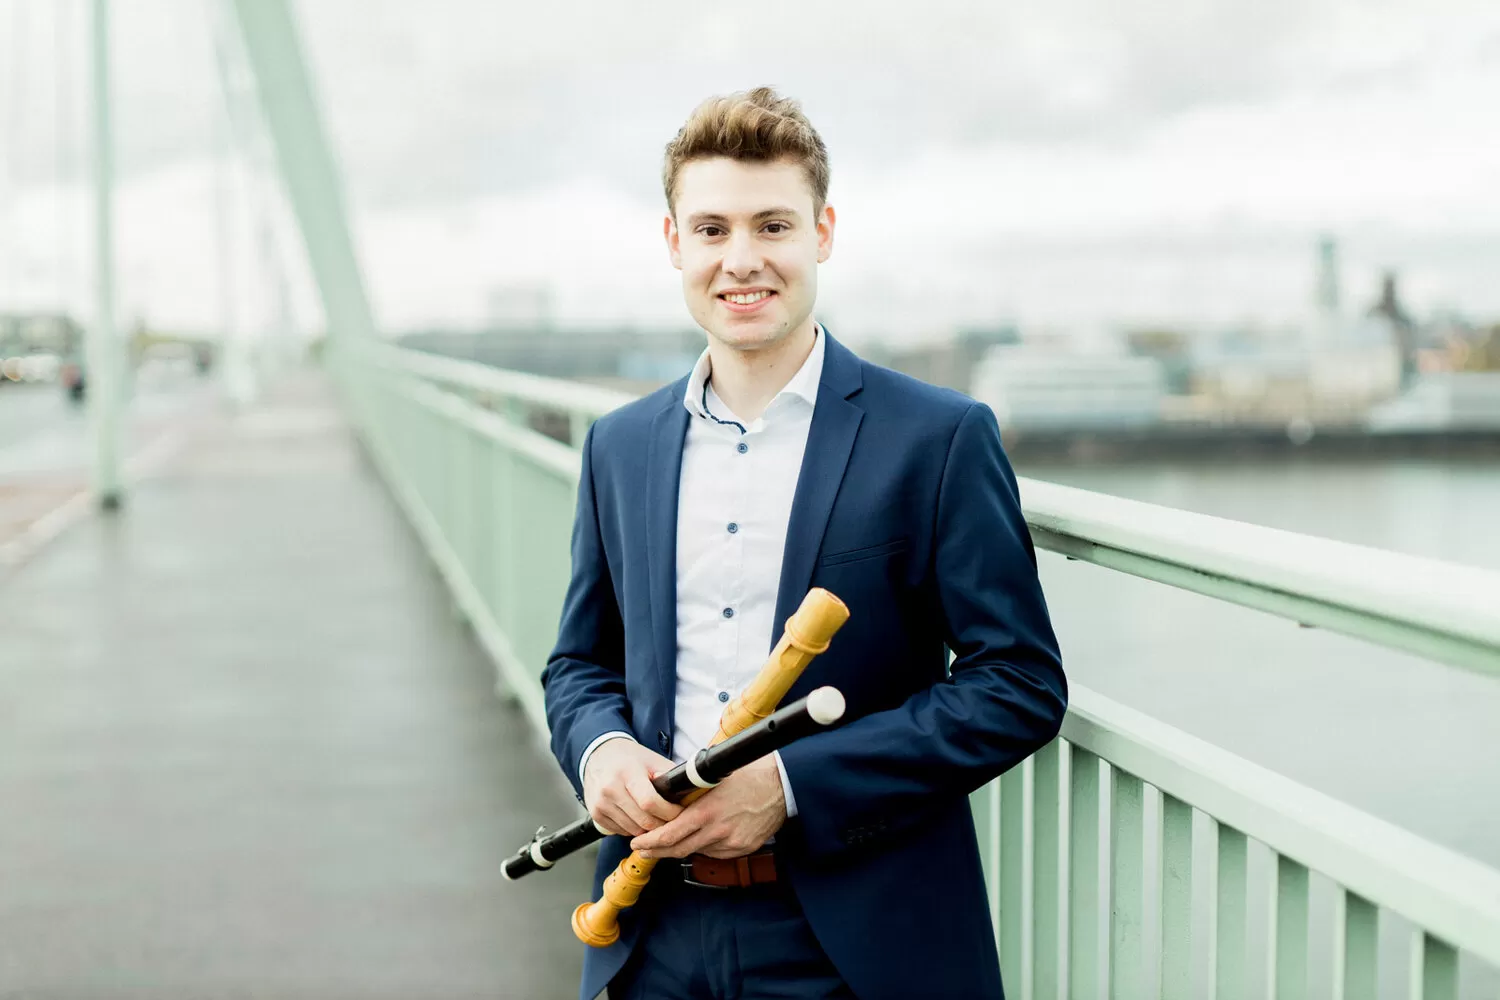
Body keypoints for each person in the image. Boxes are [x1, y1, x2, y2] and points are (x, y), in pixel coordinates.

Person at [541, 86, 1067, 1000]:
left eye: (771, 225)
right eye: (710, 230)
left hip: (854, 944)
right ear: (674, 245)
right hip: (649, 933)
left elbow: (1017, 683)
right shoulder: (618, 445)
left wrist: (790, 786)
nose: (741, 260)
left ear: (822, 232)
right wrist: (602, 754)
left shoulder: (938, 437)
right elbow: (581, 665)